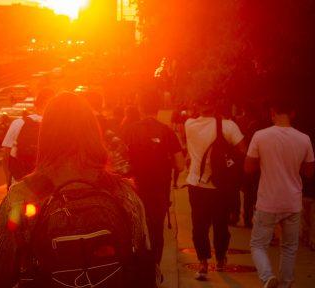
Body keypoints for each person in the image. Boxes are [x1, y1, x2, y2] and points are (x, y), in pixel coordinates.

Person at [0, 92, 151, 287]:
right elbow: (143, 263)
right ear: (94, 133)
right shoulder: (123, 193)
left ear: (45, 136)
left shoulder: (23, 195)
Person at [245, 96, 315, 288]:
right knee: (289, 247)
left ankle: (267, 277)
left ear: (272, 113)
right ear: (293, 114)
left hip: (268, 201)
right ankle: (285, 284)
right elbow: (309, 172)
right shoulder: (304, 139)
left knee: (258, 245)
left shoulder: (260, 136)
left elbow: (248, 168)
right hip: (293, 202)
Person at [123, 88, 184, 272]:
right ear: (158, 108)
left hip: (134, 192)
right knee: (157, 232)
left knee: (136, 231)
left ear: (140, 107)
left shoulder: (129, 131)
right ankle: (154, 269)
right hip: (159, 193)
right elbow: (180, 165)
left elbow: (120, 161)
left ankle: (139, 269)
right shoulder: (167, 132)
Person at [184, 96, 246, 280]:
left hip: (196, 184)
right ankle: (220, 260)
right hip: (221, 186)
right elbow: (243, 150)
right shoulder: (228, 126)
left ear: (196, 105)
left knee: (199, 226)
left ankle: (203, 264)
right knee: (221, 225)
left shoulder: (189, 125)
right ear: (216, 105)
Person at [1, 88, 54, 190]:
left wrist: (9, 181)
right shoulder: (57, 126)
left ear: (36, 105)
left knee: (13, 205)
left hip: (20, 182)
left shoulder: (19, 123)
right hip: (47, 185)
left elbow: (6, 157)